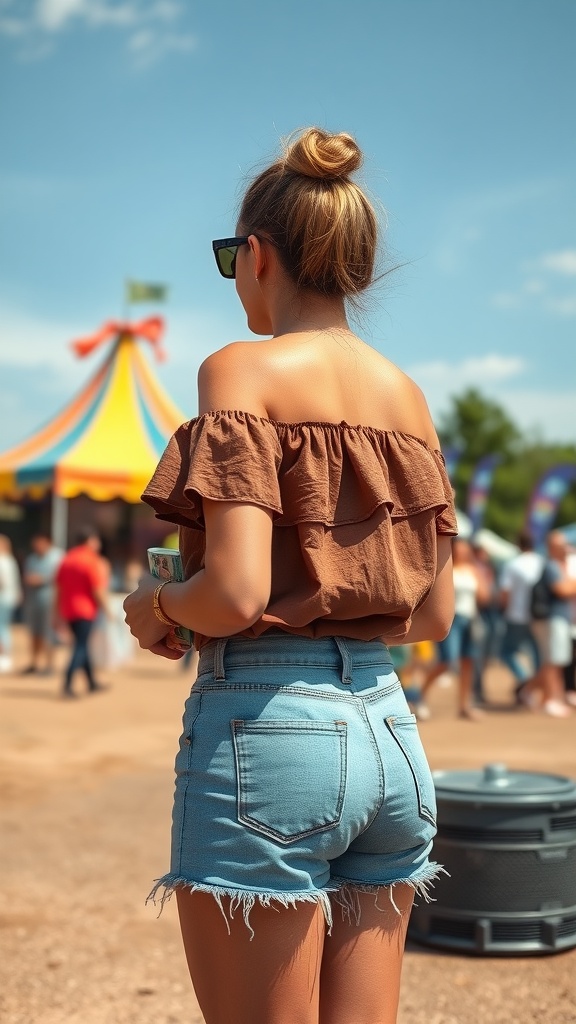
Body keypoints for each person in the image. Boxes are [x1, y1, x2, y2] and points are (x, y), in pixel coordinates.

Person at [124, 127, 456, 1024]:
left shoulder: (238, 371)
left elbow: (232, 595)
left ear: (259, 255)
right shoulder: (407, 399)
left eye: (231, 257)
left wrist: (156, 606)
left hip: (271, 734)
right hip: (391, 735)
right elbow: (432, 615)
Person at [416, 538, 489, 721]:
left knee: (468, 662)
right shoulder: (447, 569)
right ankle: (420, 698)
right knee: (447, 661)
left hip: (470, 619)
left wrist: (480, 575)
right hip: (454, 619)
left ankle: (464, 705)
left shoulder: (472, 570)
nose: (463, 552)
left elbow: (484, 597)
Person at [54, 526, 109, 698]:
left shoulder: (67, 558)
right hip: (85, 610)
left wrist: (56, 613)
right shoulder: (91, 560)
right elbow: (97, 589)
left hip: (68, 609)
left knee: (82, 644)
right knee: (81, 646)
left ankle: (91, 682)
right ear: (90, 540)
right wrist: (108, 609)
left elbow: (59, 588)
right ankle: (68, 684)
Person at [526, 530, 576, 717]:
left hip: (558, 619)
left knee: (556, 661)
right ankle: (549, 699)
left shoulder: (558, 566)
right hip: (552, 618)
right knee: (552, 661)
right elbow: (562, 590)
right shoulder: (552, 567)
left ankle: (536, 693)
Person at [498, 530, 543, 702]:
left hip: (516, 615)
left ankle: (525, 679)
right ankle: (533, 688)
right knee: (537, 654)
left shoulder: (513, 564)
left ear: (518, 545)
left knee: (506, 651)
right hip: (538, 616)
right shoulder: (541, 562)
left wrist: (502, 609)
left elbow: (505, 592)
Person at [21, 533, 63, 675]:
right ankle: (34, 663)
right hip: (34, 601)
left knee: (49, 633)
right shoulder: (31, 558)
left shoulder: (58, 557)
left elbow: (61, 579)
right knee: (35, 633)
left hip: (51, 601)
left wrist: (42, 580)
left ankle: (50, 665)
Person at [0, 534, 22, 673]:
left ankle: (4, 657)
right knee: (4, 627)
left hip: (2, 598)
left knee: (2, 628)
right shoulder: (10, 560)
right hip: (10, 598)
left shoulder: (2, 560)